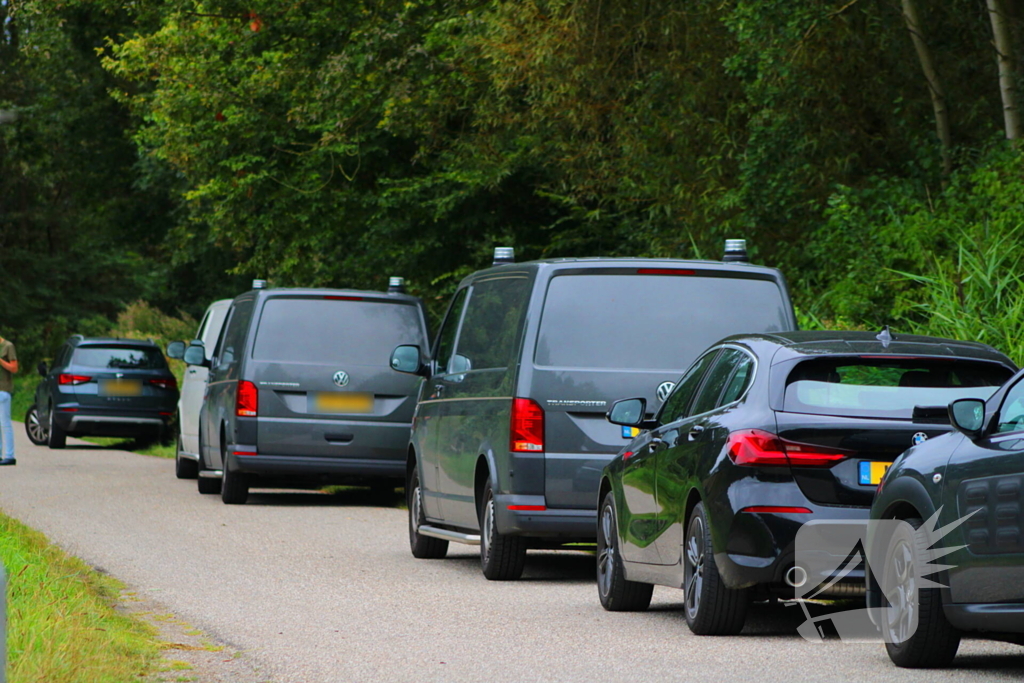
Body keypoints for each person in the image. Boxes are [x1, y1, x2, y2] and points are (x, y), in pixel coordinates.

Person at [0, 333, 19, 465]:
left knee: (5, 423)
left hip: (3, 390)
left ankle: (10, 455)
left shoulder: (7, 346)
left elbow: (14, 368)